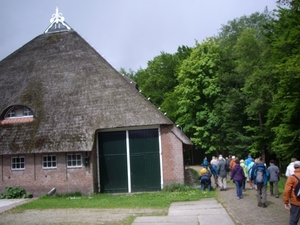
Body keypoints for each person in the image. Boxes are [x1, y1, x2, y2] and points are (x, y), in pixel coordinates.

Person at [283, 161, 300, 225]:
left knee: (293, 220)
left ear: (294, 167)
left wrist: (286, 202)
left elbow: (287, 191)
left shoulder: (292, 177)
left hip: (296, 202)